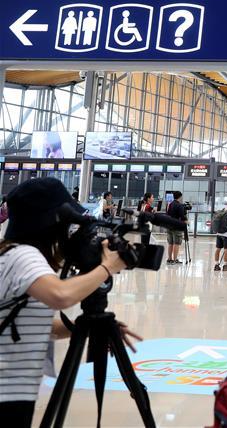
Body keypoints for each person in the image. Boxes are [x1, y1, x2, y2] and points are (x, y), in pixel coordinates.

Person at [0, 178, 141, 427]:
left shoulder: (13, 252)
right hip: (7, 388)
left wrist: (82, 328)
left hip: (14, 386)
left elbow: (28, 323)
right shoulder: (23, 255)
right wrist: (108, 267)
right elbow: (61, 295)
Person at [165, 191, 188, 264]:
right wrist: (186, 221)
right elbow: (182, 216)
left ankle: (169, 259)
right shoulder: (179, 205)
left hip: (169, 225)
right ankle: (175, 259)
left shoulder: (170, 204)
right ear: (180, 197)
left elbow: (167, 214)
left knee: (170, 243)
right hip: (177, 226)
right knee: (176, 243)